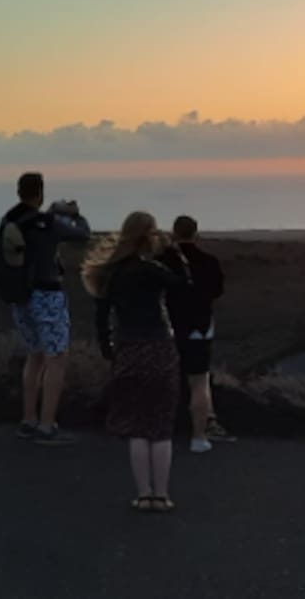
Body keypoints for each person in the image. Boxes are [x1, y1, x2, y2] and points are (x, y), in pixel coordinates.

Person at [83, 212, 188, 513]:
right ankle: (162, 495)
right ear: (149, 235)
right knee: (161, 425)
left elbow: (101, 318)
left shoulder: (110, 275)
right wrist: (173, 251)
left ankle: (143, 495)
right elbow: (183, 284)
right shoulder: (151, 270)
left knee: (138, 426)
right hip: (159, 348)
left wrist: (108, 349)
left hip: (128, 349)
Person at [0, 172, 92, 445]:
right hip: (48, 294)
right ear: (40, 192)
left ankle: (28, 419)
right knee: (56, 358)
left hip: (20, 296)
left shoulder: (10, 220)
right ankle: (47, 424)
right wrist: (74, 213)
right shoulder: (48, 223)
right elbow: (83, 233)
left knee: (35, 355)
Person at [158, 216, 229, 453]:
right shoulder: (209, 261)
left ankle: (161, 431)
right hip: (200, 326)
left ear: (173, 233)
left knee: (165, 377)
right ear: (196, 234)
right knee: (199, 381)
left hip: (168, 326)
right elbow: (217, 291)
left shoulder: (161, 260)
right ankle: (200, 436)